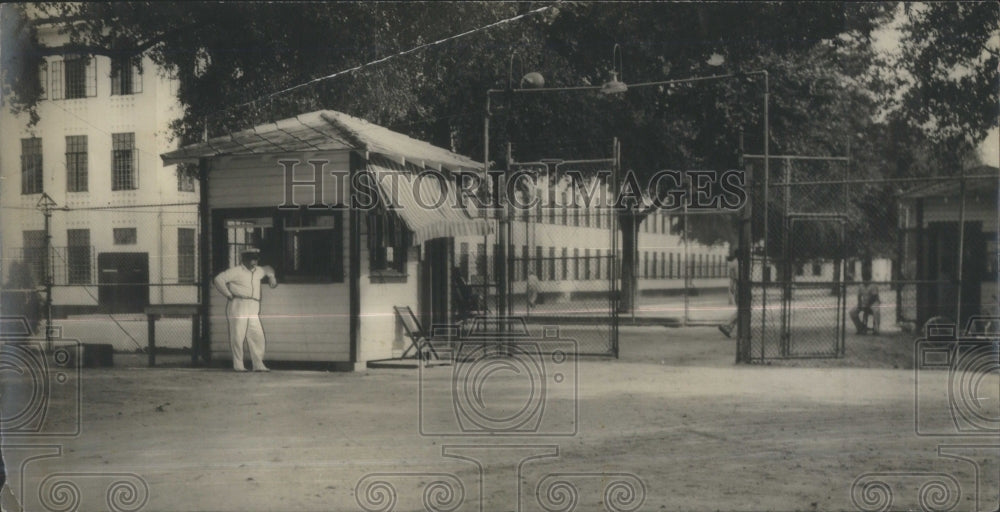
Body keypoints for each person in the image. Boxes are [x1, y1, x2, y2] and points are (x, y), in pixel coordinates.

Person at [213, 248, 277, 371]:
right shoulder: (236, 271)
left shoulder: (258, 271)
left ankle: (258, 364)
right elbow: (218, 279)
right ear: (244, 259)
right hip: (239, 304)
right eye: (251, 259)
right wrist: (228, 294)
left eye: (256, 259)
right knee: (238, 335)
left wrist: (271, 277)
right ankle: (238, 365)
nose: (254, 262)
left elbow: (268, 268)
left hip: (253, 306)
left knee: (257, 335)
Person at [718, 250, 739, 338]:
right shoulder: (739, 263)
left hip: (737, 286)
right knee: (743, 310)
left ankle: (729, 328)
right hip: (741, 285)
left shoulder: (733, 263)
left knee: (742, 309)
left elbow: (732, 278)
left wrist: (732, 288)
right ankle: (727, 324)